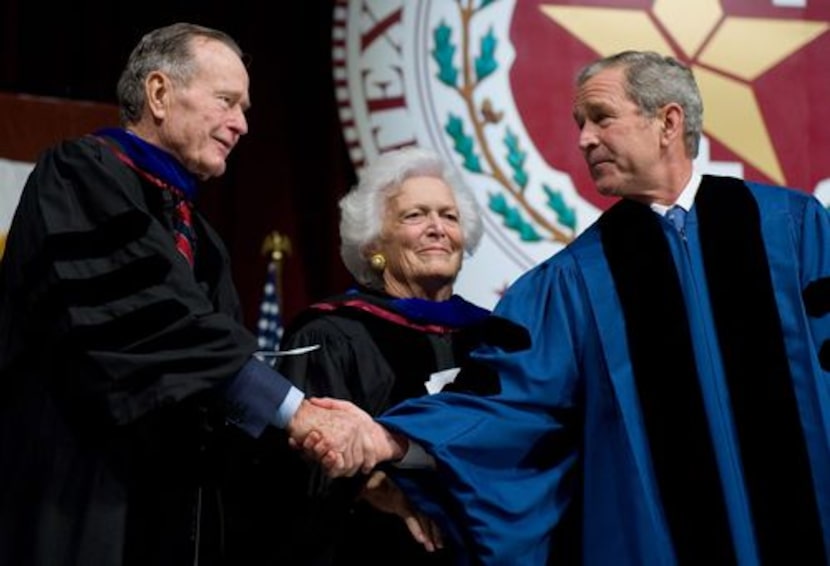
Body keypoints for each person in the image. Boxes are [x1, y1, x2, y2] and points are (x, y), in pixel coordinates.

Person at [302, 50, 830, 564]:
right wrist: (393, 436)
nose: (583, 140)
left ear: (668, 123)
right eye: (581, 122)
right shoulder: (574, 280)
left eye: (601, 118)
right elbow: (506, 400)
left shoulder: (793, 227)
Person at [0, 22, 377, 566]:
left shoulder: (203, 239)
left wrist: (362, 477)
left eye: (245, 108)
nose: (242, 124)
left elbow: (214, 388)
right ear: (158, 93)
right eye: (227, 101)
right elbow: (155, 320)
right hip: (76, 491)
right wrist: (296, 412)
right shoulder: (80, 174)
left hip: (169, 510)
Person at [275, 146, 521, 565]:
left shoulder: (496, 339)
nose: (437, 228)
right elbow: (298, 472)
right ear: (374, 242)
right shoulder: (331, 335)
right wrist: (373, 486)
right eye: (415, 215)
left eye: (449, 216)